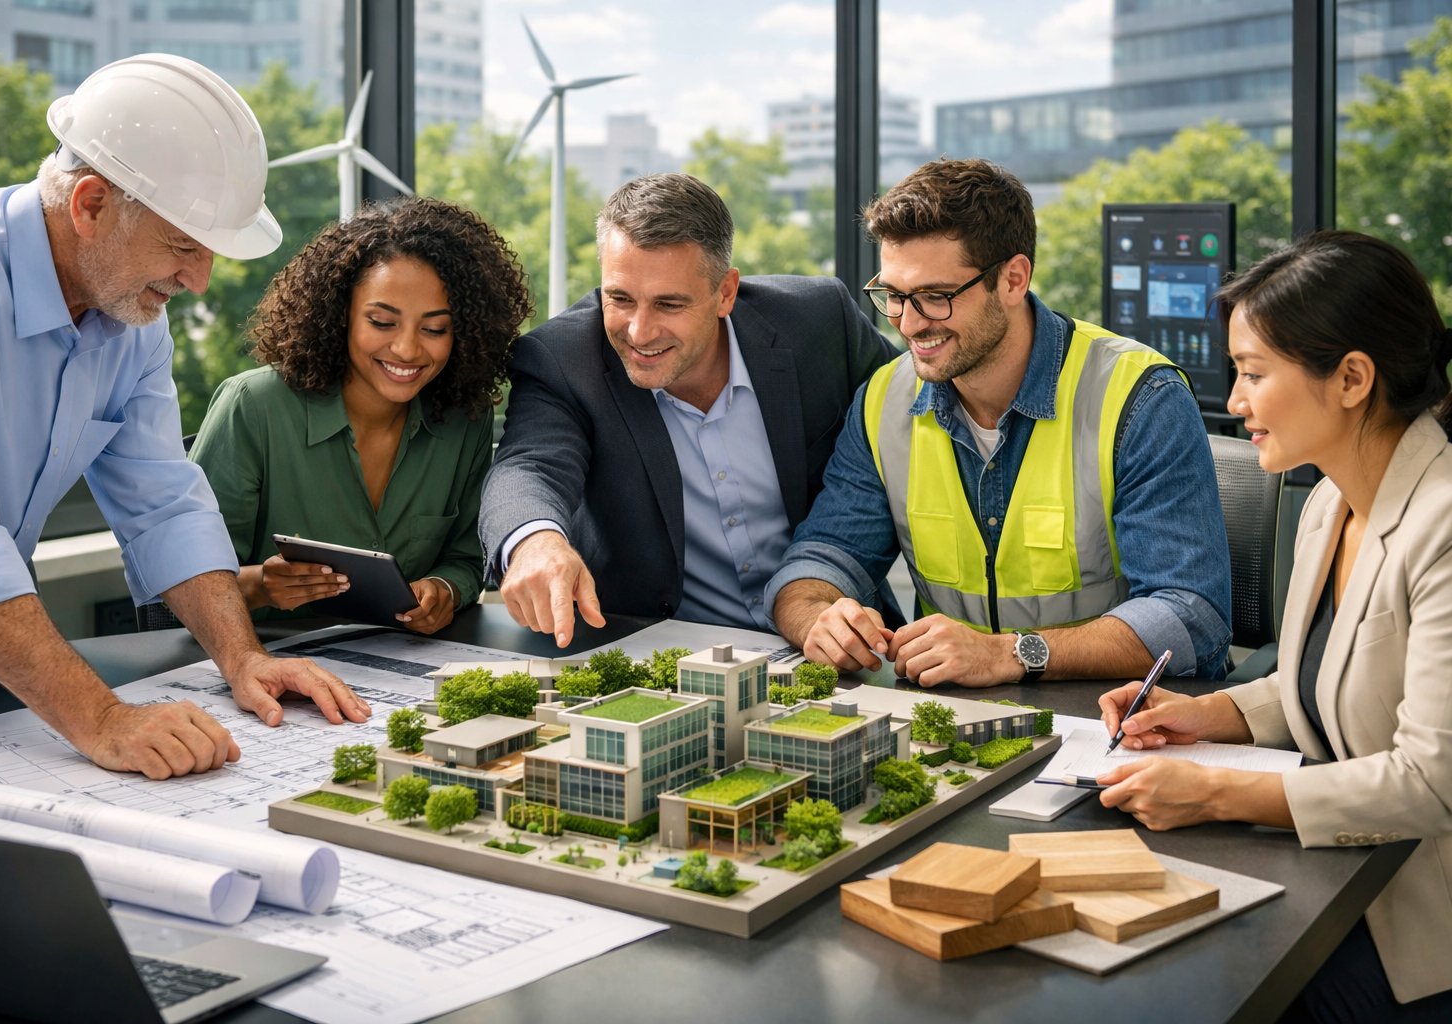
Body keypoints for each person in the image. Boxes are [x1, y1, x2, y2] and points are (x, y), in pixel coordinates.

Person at [0, 54, 369, 781]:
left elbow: (163, 501)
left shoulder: (131, 311)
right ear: (90, 204)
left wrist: (243, 656)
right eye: (182, 246)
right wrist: (101, 720)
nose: (198, 281)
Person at [1095, 230, 1452, 1019]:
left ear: (1353, 377)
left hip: (1421, 927)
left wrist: (1215, 792)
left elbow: (1431, 782)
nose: (1235, 401)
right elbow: (1324, 677)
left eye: (1255, 373)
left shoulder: (1444, 525)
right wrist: (1205, 714)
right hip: (1343, 881)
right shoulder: (1329, 498)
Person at [768, 159, 1231, 687]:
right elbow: (823, 554)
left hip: (1118, 717)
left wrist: (1008, 654)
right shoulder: (883, 399)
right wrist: (817, 617)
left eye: (936, 297)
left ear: (1013, 279)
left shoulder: (1139, 397)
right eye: (894, 296)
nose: (910, 323)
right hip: (957, 715)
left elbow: (1191, 616)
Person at [479, 172, 897, 646]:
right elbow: (527, 466)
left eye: (669, 304)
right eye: (619, 298)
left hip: (840, 641)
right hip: (663, 658)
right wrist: (535, 541)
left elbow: (914, 411)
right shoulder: (563, 359)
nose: (639, 332)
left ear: (725, 293)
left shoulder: (819, 323)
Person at [191, 196, 532, 633]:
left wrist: (444, 589)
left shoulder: (464, 420)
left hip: (402, 668)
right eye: (382, 322)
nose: (408, 349)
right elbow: (186, 577)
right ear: (340, 316)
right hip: (262, 664)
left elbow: (467, 558)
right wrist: (261, 585)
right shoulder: (253, 407)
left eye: (434, 329)